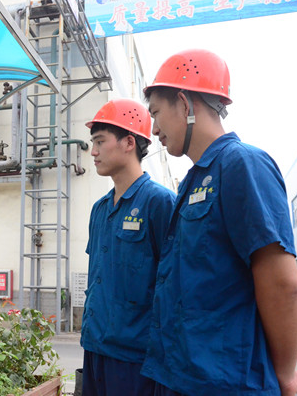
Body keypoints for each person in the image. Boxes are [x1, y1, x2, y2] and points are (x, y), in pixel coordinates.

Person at [141, 48, 297, 396]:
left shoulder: (242, 164)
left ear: (184, 104)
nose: (154, 129)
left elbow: (282, 284)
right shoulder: (193, 182)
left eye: (156, 113)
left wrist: (285, 374)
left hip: (228, 383)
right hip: (185, 377)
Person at [81, 99, 176, 396]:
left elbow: (175, 286)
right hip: (94, 347)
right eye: (92, 143)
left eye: (100, 141)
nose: (93, 151)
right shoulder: (99, 209)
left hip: (137, 358)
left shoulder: (160, 203)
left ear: (129, 142)